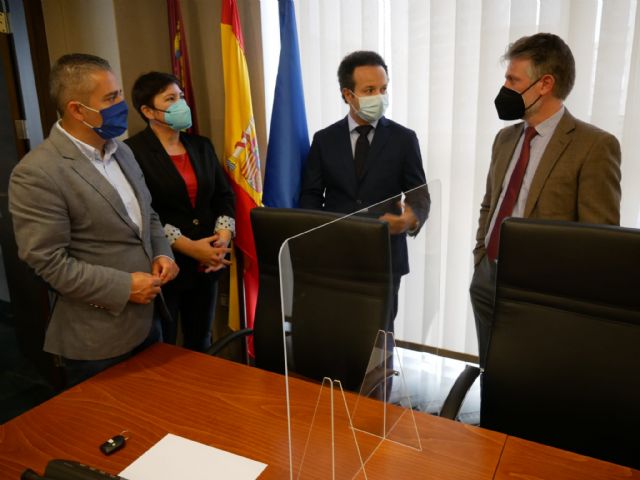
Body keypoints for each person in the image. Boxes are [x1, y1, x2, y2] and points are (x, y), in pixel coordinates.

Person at [8, 53, 179, 386]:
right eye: (111, 98)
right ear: (77, 109)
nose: (121, 105)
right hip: (98, 342)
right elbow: (47, 262)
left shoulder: (121, 150)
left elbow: (147, 213)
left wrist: (163, 253)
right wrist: (124, 287)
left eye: (119, 94)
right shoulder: (37, 172)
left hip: (150, 322)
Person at [470, 33, 622, 368]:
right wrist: (481, 255)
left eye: (513, 80)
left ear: (545, 84)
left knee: (530, 381)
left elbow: (600, 239)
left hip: (543, 295)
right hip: (487, 280)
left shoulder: (594, 146)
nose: (505, 87)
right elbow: (490, 204)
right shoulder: (505, 138)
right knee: (491, 374)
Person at [299, 50, 430, 328]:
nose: (379, 96)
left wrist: (411, 218)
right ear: (348, 94)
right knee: (335, 332)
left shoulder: (404, 139)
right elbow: (310, 196)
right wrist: (318, 239)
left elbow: (419, 193)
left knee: (379, 338)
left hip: (385, 257)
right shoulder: (324, 140)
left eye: (383, 89)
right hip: (335, 257)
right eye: (370, 90)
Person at [125, 72, 234, 352]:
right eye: (170, 99)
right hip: (166, 265)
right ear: (148, 111)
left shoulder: (201, 145)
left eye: (181, 96)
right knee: (166, 344)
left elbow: (223, 196)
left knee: (201, 339)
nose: (181, 104)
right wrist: (190, 248)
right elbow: (142, 211)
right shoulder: (131, 152)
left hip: (208, 262)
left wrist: (221, 240)